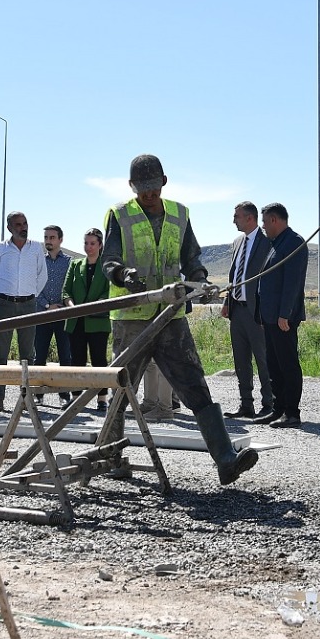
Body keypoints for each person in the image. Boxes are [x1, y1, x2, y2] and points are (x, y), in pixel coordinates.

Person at [102, 153, 258, 486]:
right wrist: (123, 274)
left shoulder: (179, 214)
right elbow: (109, 260)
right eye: (142, 188)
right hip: (132, 318)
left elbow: (192, 259)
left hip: (171, 317)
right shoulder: (120, 215)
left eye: (153, 188)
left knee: (195, 384)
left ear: (164, 182)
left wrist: (199, 280)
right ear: (132, 186)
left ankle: (226, 459)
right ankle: (109, 457)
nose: (148, 194)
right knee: (120, 389)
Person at [251, 203, 307, 429]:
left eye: (264, 221)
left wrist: (285, 314)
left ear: (274, 220)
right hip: (271, 317)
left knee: (287, 365)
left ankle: (292, 413)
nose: (263, 226)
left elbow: (292, 284)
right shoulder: (276, 244)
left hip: (283, 318)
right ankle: (278, 409)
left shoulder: (294, 243)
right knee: (273, 364)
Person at [0, 211, 47, 410]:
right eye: (18, 224)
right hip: (5, 304)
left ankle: (27, 400)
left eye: (25, 223)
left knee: (28, 354)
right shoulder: (1, 249)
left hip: (29, 304)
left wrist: (30, 295)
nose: (23, 227)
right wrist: (3, 295)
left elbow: (42, 276)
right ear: (9, 228)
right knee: (1, 354)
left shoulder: (36, 248)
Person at [221, 201, 275, 420]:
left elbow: (270, 279)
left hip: (257, 312)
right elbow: (234, 275)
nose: (234, 220)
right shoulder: (237, 242)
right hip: (238, 310)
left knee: (263, 359)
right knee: (240, 360)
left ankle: (269, 404)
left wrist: (267, 312)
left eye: (237, 216)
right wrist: (227, 301)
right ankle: (246, 405)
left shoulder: (268, 242)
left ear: (250, 218)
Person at [62, 228, 113, 412]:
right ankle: (76, 398)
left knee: (99, 360)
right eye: (86, 243)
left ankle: (101, 398)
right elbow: (65, 291)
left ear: (100, 245)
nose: (88, 247)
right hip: (76, 321)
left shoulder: (107, 266)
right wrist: (71, 306)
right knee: (77, 360)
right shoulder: (75, 265)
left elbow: (110, 292)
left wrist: (96, 305)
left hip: (98, 321)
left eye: (92, 243)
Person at [33, 225, 75, 390]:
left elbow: (70, 286)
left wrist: (62, 306)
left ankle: (65, 394)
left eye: (52, 238)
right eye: (46, 238)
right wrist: (47, 305)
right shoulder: (38, 261)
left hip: (62, 315)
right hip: (42, 314)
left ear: (60, 240)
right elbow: (34, 287)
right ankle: (38, 392)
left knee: (65, 357)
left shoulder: (69, 262)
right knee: (39, 357)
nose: (48, 241)